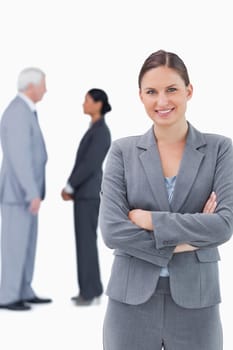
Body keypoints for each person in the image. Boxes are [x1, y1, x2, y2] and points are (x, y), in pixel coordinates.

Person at [99, 50, 233, 349]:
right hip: (129, 301)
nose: (162, 101)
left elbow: (223, 226)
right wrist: (190, 238)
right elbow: (112, 231)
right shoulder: (122, 152)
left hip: (197, 302)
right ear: (141, 96)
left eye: (171, 89)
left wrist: (150, 220)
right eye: (152, 92)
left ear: (189, 91)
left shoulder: (220, 150)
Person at [0, 67, 52, 311]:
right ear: (31, 86)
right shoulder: (17, 112)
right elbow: (19, 157)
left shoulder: (26, 111)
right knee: (14, 245)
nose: (46, 89)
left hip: (26, 194)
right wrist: (31, 192)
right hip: (18, 195)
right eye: (43, 84)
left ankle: (23, 289)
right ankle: (8, 296)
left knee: (27, 245)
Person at [61, 88, 111, 306]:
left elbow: (89, 164)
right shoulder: (95, 129)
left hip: (89, 193)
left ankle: (89, 292)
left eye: (87, 100)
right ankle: (92, 288)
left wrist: (70, 186)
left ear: (98, 104)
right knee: (85, 242)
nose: (83, 103)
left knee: (86, 243)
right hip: (86, 193)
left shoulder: (101, 131)